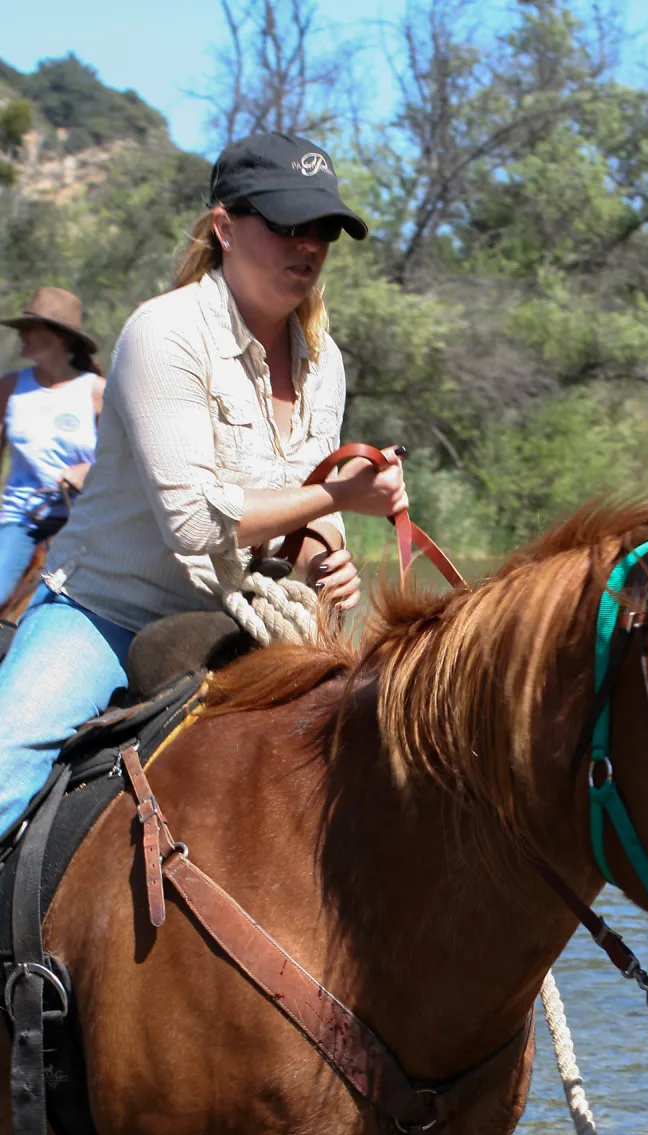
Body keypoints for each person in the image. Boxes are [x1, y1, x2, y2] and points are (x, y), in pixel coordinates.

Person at [0, 131, 408, 836]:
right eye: (284, 224)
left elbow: (304, 505)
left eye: (321, 230)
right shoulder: (165, 333)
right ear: (224, 227)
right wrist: (338, 498)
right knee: (4, 768)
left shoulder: (323, 361)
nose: (307, 245)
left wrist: (323, 555)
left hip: (240, 622)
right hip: (108, 613)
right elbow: (194, 523)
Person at [0, 287, 105, 607]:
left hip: (84, 518)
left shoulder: (97, 392)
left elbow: (123, 460)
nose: (23, 335)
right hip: (22, 518)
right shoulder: (10, 387)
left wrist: (87, 471)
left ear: (59, 338)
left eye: (31, 328)